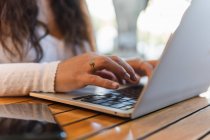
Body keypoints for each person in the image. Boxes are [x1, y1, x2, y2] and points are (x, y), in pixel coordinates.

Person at [0, 0, 157, 96]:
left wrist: (119, 68)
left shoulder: (76, 4)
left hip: (77, 117)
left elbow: (84, 66)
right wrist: (52, 74)